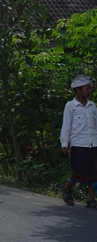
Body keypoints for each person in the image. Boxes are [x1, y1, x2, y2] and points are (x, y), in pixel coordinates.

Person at [60, 74, 97, 208]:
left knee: (94, 172)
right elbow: (66, 125)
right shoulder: (71, 106)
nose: (89, 91)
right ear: (78, 90)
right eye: (87, 88)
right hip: (79, 143)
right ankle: (67, 187)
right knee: (79, 170)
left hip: (93, 143)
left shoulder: (92, 106)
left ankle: (90, 199)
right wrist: (65, 143)